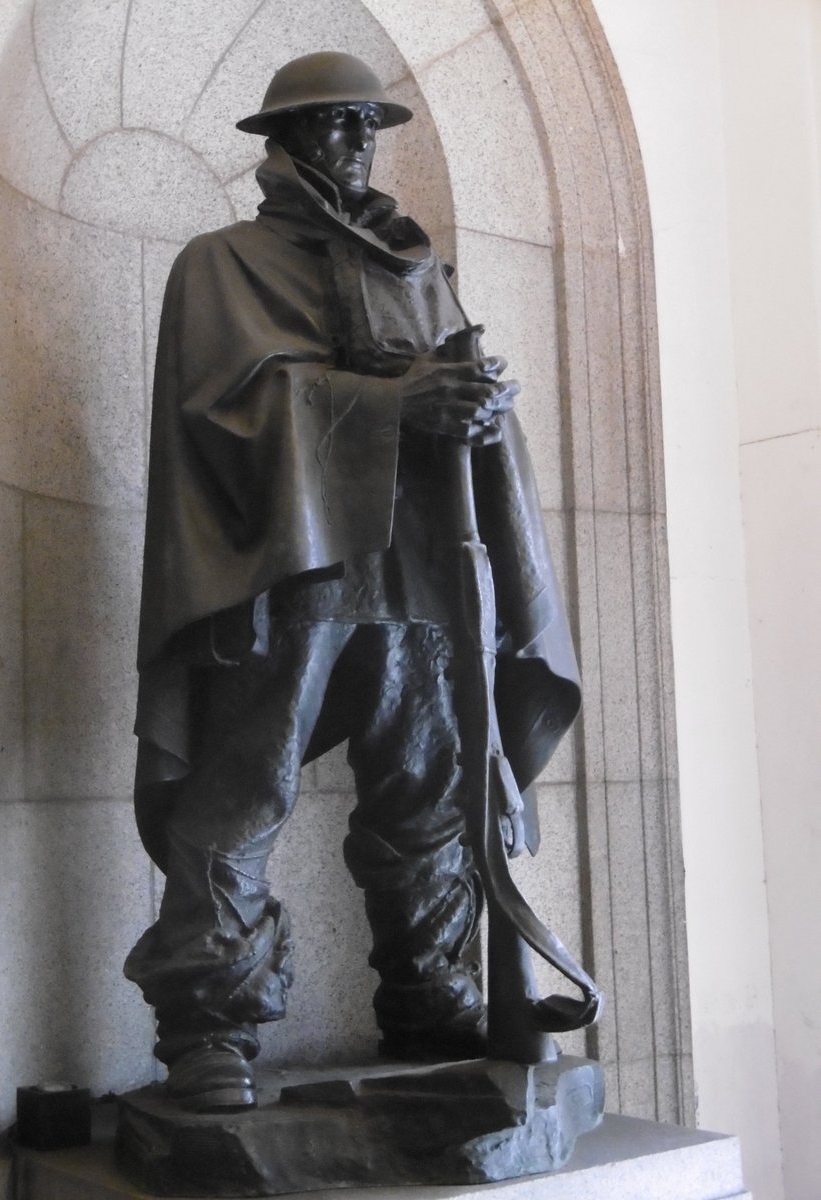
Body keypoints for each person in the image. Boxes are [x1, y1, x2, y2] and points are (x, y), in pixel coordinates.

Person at [124, 51, 582, 1113]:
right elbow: (222, 413)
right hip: (294, 566)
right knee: (243, 790)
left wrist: (475, 407)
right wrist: (394, 408)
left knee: (429, 782)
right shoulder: (220, 264)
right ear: (278, 145)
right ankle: (210, 1023)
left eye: (364, 125)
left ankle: (429, 994)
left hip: (422, 569)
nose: (353, 143)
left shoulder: (420, 272)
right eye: (329, 126)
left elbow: (457, 405)